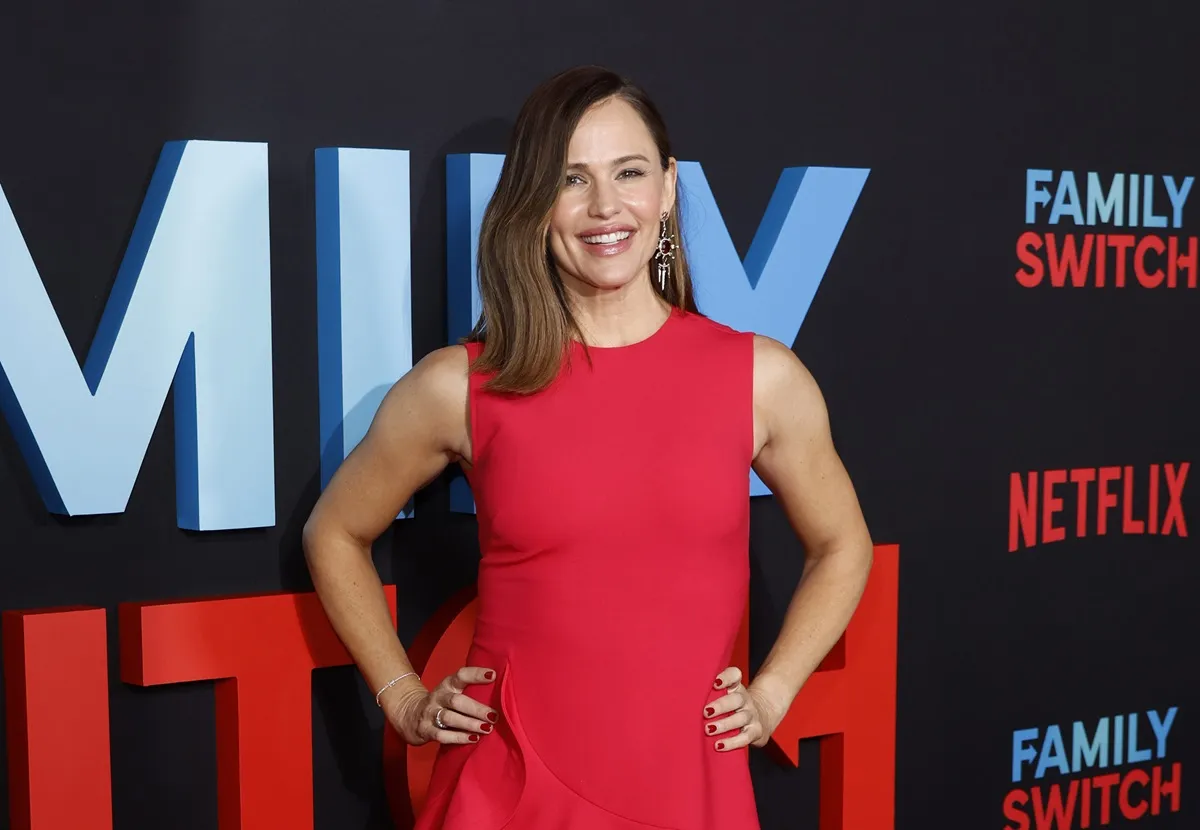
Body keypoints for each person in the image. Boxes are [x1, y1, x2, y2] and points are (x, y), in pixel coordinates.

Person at [303, 64, 874, 829]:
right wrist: (401, 694)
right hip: (509, 790)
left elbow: (843, 543)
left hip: (689, 789)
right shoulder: (462, 385)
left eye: (630, 172)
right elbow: (335, 531)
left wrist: (772, 693)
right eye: (572, 179)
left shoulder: (760, 378)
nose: (606, 207)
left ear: (669, 188)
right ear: (535, 205)